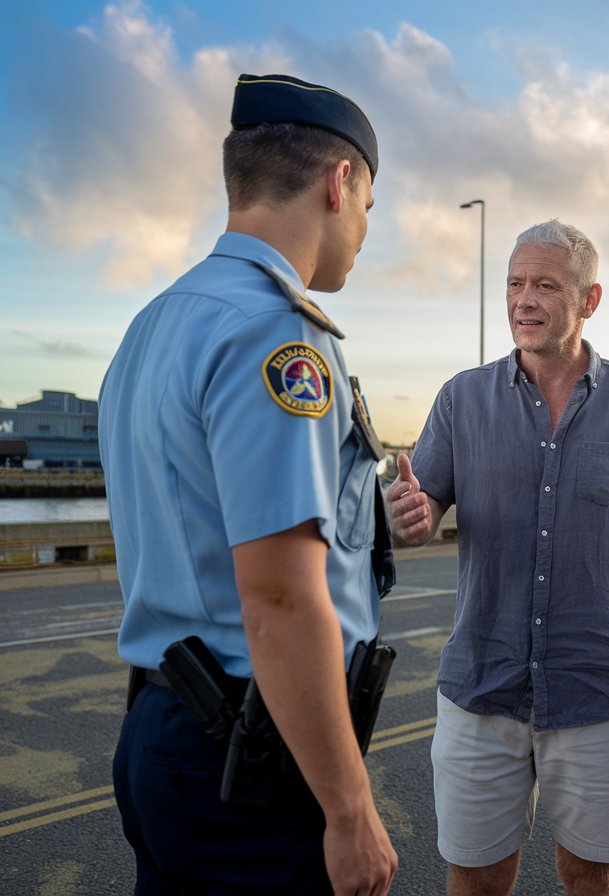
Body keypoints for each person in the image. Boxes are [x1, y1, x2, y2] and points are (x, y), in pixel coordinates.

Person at [99, 73, 398, 895]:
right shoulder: (279, 331)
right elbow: (277, 598)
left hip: (164, 729)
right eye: (371, 203)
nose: (367, 229)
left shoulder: (156, 322)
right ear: (341, 183)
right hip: (246, 756)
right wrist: (348, 810)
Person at [388, 219, 609, 895]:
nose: (523, 301)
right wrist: (407, 517)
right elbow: (420, 514)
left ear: (588, 300)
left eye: (544, 286)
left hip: (600, 690)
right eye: (514, 284)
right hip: (481, 690)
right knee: (476, 880)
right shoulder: (460, 399)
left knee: (591, 875)